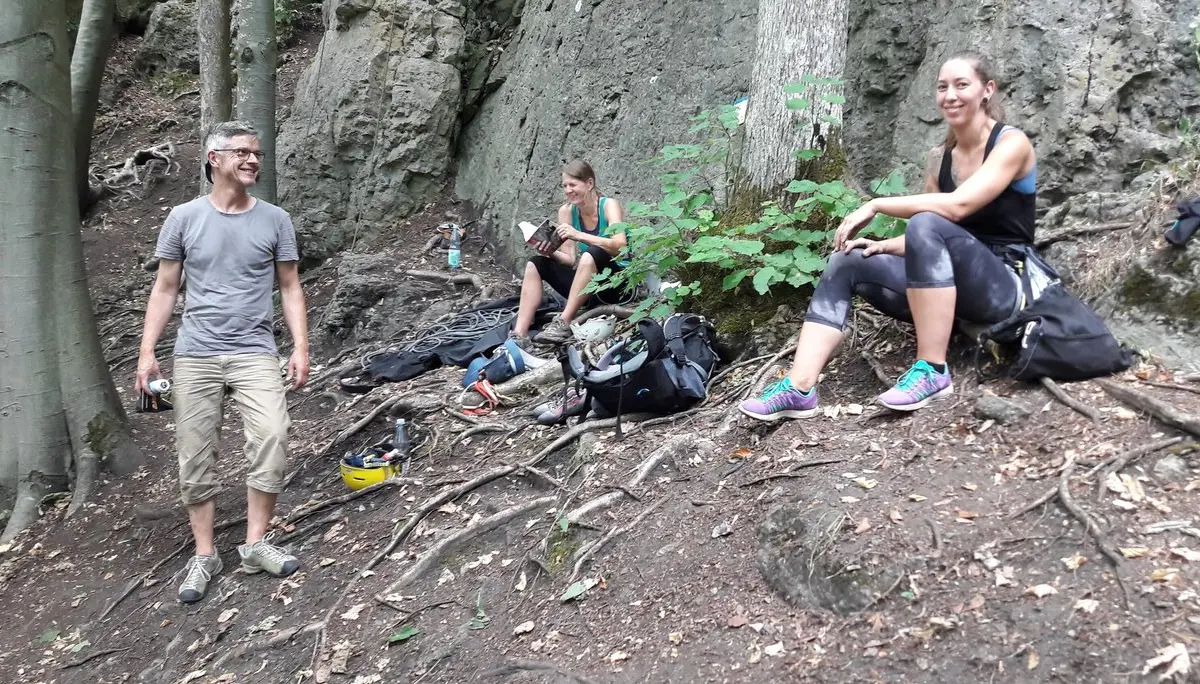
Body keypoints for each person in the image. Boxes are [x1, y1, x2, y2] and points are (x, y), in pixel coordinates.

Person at [740, 52, 1038, 421]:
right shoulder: (939, 158)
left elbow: (957, 208)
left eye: (962, 85)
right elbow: (935, 242)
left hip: (1005, 285)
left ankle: (932, 371)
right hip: (951, 289)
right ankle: (799, 389)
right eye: (942, 87)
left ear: (986, 90)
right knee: (848, 259)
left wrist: (877, 205)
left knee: (926, 221)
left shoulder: (1011, 144)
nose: (950, 95)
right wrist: (882, 246)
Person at [136, 120, 310, 603]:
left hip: (255, 350)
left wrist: (300, 347)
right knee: (195, 454)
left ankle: (255, 545)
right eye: (242, 152)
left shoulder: (275, 220)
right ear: (214, 159)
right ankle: (205, 554)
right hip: (196, 353)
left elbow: (290, 287)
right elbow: (165, 288)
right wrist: (147, 352)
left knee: (273, 434)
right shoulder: (183, 218)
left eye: (257, 153)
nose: (253, 160)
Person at [509, 160, 630, 347]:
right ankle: (519, 335)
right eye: (564, 186)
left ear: (589, 183)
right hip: (590, 288)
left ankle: (563, 322)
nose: (568, 190)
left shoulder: (609, 205)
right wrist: (550, 252)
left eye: (572, 185)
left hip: (617, 285)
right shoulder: (566, 211)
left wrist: (580, 235)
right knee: (535, 263)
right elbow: (569, 260)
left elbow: (620, 245)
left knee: (592, 253)